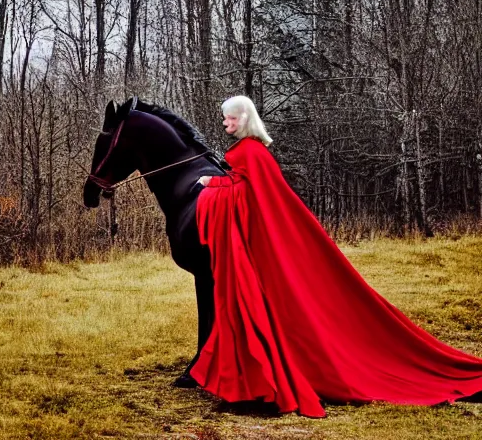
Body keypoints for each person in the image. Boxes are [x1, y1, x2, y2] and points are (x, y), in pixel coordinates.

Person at [189, 95, 482, 418]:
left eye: (230, 119)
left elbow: (245, 196)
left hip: (255, 251)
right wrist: (222, 183)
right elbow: (249, 190)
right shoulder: (251, 152)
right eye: (225, 119)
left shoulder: (249, 152)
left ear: (244, 118)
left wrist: (210, 185)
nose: (226, 124)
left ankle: (258, 384)